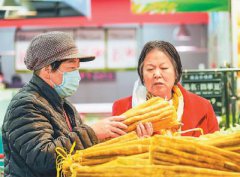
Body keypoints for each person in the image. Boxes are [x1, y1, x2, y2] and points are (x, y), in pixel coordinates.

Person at [1, 31, 153, 177]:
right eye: (71, 68)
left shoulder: (64, 105)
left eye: (77, 69)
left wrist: (127, 140)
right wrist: (92, 132)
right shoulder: (26, 105)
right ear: (47, 70)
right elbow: (43, 158)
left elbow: (80, 152)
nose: (77, 76)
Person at [112, 40, 219, 137]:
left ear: (176, 72)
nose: (157, 74)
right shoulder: (122, 110)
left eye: (164, 68)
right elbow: (113, 153)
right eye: (150, 69)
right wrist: (139, 143)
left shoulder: (203, 107)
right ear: (142, 75)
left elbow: (217, 150)